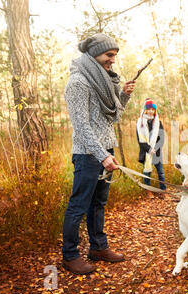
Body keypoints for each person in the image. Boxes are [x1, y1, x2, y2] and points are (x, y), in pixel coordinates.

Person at [62, 33, 135, 275]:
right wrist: (102, 155)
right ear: (94, 55)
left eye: (114, 56)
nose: (113, 60)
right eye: (109, 55)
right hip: (88, 154)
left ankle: (98, 248)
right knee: (78, 206)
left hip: (105, 151)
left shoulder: (103, 81)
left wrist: (123, 94)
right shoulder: (79, 83)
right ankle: (70, 256)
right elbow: (81, 126)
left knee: (98, 204)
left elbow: (112, 115)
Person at [136, 98, 166, 198]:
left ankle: (163, 190)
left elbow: (161, 138)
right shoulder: (140, 123)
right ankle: (148, 191)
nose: (151, 111)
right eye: (149, 109)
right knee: (147, 172)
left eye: (153, 109)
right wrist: (149, 149)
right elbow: (141, 141)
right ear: (145, 110)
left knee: (160, 172)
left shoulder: (158, 122)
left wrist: (156, 149)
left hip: (156, 151)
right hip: (146, 151)